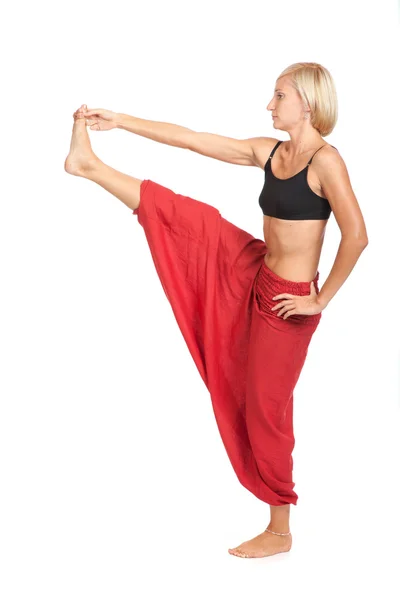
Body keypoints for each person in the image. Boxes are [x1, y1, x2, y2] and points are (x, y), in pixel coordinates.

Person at [64, 62, 368, 559]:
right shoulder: (271, 152)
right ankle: (89, 165)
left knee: (265, 409)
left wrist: (319, 298)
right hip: (253, 268)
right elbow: (192, 139)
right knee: (191, 222)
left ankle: (280, 528)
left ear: (307, 104)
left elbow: (357, 236)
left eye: (279, 95)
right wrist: (121, 120)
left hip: (285, 304)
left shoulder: (326, 162)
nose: (270, 104)